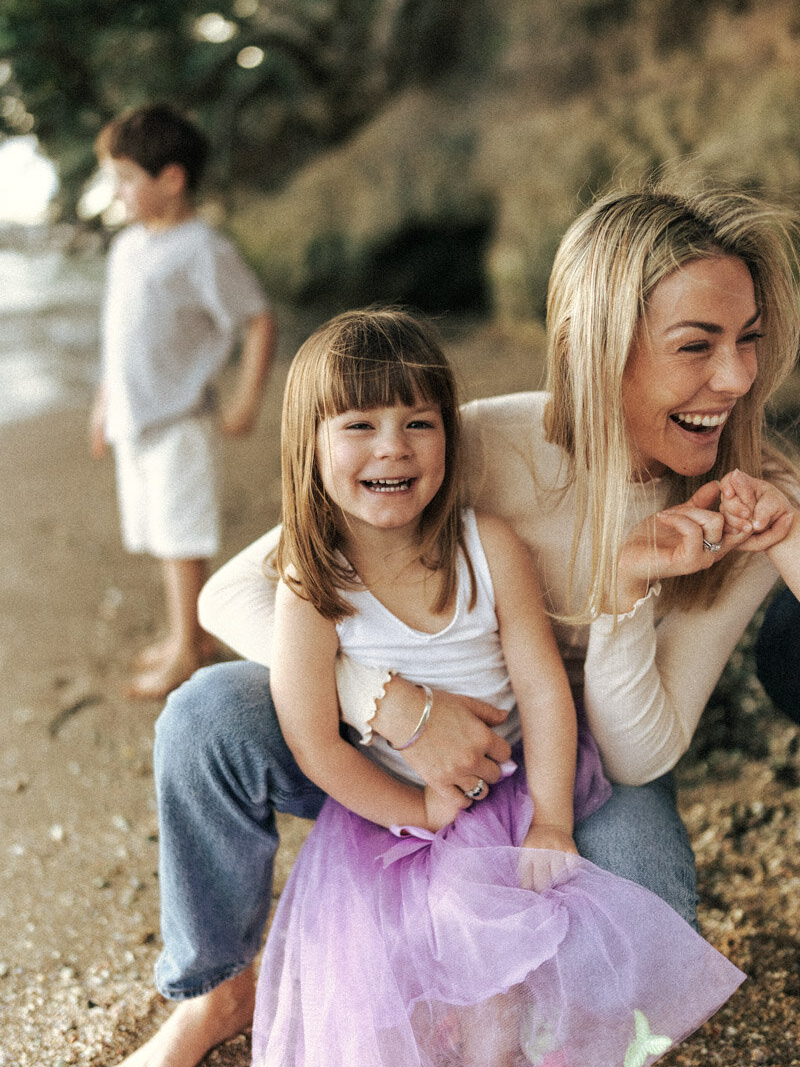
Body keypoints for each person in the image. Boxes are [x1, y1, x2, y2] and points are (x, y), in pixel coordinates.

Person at [116, 184, 800, 1067]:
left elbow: (636, 756)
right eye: (697, 346)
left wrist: (631, 595)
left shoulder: (748, 499)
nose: (739, 376)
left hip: (578, 762)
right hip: (397, 743)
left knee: (649, 907)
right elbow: (232, 595)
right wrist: (392, 706)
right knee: (208, 718)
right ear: (598, 349)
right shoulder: (466, 442)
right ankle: (216, 991)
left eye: (748, 340)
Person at [251, 306, 744, 1065]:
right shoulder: (311, 584)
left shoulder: (488, 546)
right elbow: (314, 743)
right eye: (358, 425)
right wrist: (417, 809)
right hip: (394, 811)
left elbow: (546, 691)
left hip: (517, 784)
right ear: (307, 446)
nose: (394, 446)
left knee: (507, 939)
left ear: (450, 435)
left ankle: (504, 1053)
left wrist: (550, 820)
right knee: (393, 962)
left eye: (419, 422)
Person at [89, 103, 276, 700]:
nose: (116, 193)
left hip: (179, 420)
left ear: (170, 179)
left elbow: (257, 318)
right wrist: (103, 406)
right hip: (135, 418)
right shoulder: (127, 249)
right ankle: (191, 637)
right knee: (153, 528)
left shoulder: (203, 250)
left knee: (180, 540)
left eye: (126, 180)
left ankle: (184, 652)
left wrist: (245, 401)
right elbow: (118, 340)